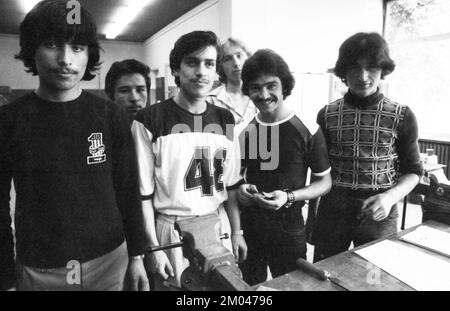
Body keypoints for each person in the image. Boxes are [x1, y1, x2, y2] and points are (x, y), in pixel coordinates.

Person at [0, 0, 148, 291]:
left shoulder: (111, 116)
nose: (66, 59)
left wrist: (137, 255)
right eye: (53, 44)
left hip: (110, 261)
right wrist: (5, 278)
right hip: (40, 268)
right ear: (32, 49)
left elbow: (129, 190)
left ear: (88, 54)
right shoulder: (9, 121)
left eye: (77, 48)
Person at [131, 30, 247, 290]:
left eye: (209, 64)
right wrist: (153, 248)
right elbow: (143, 196)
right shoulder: (150, 119)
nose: (201, 72)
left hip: (218, 225)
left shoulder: (225, 119)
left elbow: (230, 187)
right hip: (170, 228)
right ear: (176, 69)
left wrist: (238, 233)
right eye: (192, 63)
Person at [312, 32, 423, 262]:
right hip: (333, 210)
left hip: (380, 210)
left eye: (371, 67)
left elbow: (414, 172)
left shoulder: (402, 115)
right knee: (326, 275)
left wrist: (390, 197)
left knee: (375, 280)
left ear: (383, 69)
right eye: (354, 68)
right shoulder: (327, 114)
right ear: (343, 72)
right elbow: (318, 171)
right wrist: (311, 218)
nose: (363, 76)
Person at [237, 49, 332, 285]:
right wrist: (242, 189)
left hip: (289, 227)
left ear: (284, 87)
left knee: (291, 286)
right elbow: (236, 177)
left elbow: (325, 182)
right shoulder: (244, 130)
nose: (264, 94)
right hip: (251, 227)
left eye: (271, 86)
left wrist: (289, 196)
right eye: (255, 88)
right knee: (251, 284)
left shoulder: (307, 129)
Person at [209, 38, 257, 135]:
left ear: (248, 58)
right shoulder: (210, 101)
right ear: (220, 66)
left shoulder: (262, 96)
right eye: (227, 59)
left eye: (239, 56)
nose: (236, 63)